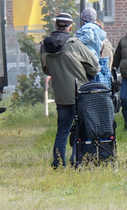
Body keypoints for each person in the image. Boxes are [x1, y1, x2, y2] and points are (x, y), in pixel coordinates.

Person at [41, 12, 98, 169]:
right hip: (79, 93)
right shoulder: (75, 44)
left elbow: (46, 69)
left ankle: (58, 163)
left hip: (60, 94)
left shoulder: (44, 45)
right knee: (81, 129)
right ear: (70, 27)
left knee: (62, 130)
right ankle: (76, 159)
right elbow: (95, 68)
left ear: (55, 25)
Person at [74, 7, 111, 86]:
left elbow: (89, 36)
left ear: (82, 18)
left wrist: (78, 41)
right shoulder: (98, 30)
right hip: (96, 56)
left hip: (88, 55)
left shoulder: (87, 27)